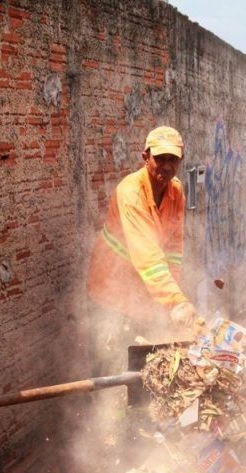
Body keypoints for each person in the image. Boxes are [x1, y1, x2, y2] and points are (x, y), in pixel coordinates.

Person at [86, 125, 199, 374]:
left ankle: (138, 408)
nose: (167, 166)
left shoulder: (176, 190)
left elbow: (173, 247)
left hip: (144, 288)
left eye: (173, 159)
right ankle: (107, 407)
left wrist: (172, 298)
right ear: (145, 157)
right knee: (113, 361)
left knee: (146, 360)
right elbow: (147, 256)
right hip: (111, 288)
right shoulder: (131, 193)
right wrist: (176, 301)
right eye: (160, 159)